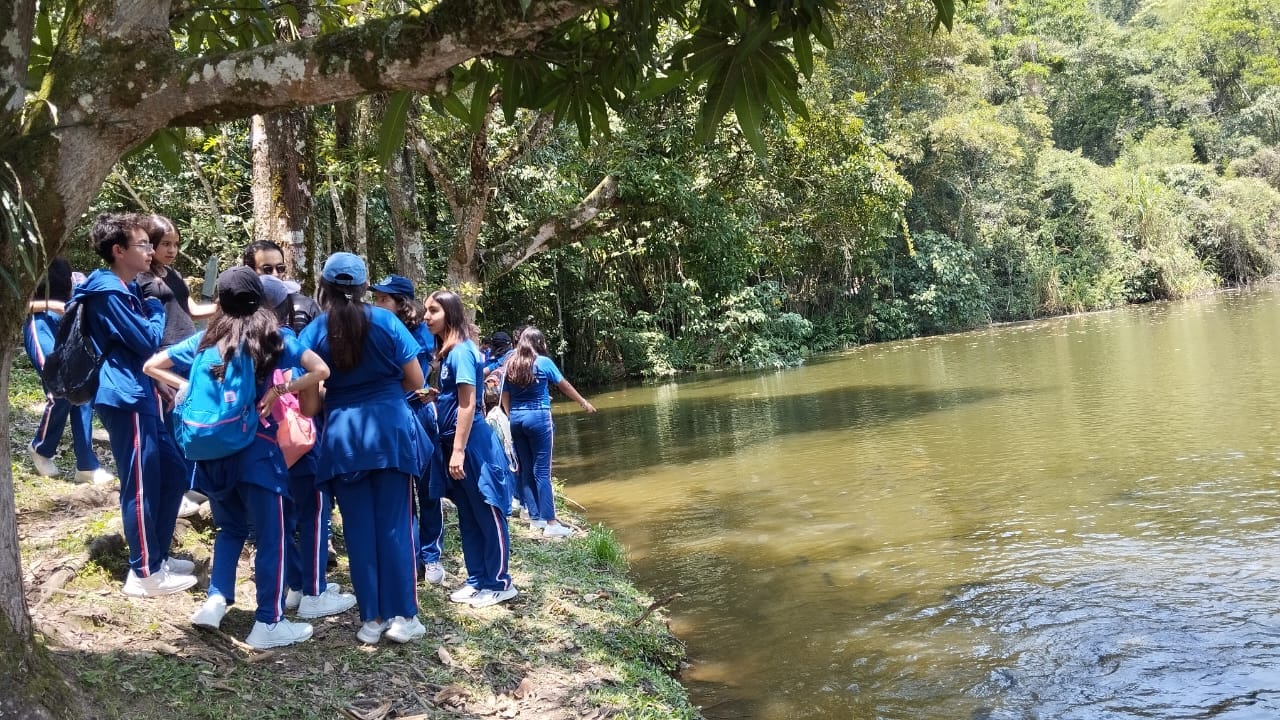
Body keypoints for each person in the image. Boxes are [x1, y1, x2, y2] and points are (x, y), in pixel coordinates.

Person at [144, 266, 330, 649]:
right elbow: (321, 370)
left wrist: (185, 389)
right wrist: (282, 391)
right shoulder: (272, 339)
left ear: (222, 303)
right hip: (257, 453)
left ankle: (215, 601)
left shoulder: (204, 340)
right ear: (259, 300)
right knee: (272, 537)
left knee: (229, 529)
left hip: (210, 455)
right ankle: (269, 622)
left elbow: (152, 365)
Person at [299, 253, 432, 644]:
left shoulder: (314, 333)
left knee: (357, 529)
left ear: (323, 287)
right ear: (363, 287)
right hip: (389, 430)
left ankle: (371, 620)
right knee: (394, 525)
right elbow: (416, 379)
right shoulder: (387, 321)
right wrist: (383, 390)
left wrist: (337, 393)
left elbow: (309, 406)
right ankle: (404, 616)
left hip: (343, 436)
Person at [73, 212, 195, 597]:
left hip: (142, 390)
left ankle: (156, 555)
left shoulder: (124, 288)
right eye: (142, 244)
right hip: (123, 394)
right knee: (140, 484)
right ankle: (143, 572)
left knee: (173, 471)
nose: (150, 251)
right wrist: (157, 309)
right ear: (118, 250)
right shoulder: (108, 291)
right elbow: (145, 341)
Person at [425, 290, 517, 608]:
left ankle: (501, 582)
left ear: (449, 314)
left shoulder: (463, 351)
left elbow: (468, 404)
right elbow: (455, 398)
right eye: (426, 310)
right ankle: (478, 579)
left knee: (487, 509)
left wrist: (459, 450)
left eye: (433, 311)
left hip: (472, 444)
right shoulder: (448, 353)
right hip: (452, 440)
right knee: (467, 513)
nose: (426, 316)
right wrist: (435, 397)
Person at [137, 214, 215, 517]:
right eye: (165, 244)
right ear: (151, 243)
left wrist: (229, 306)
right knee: (172, 423)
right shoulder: (140, 278)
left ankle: (195, 485)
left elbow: (192, 310)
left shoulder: (172, 274)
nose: (171, 250)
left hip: (190, 351)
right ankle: (178, 487)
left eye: (175, 244)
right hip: (163, 356)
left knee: (194, 418)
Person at [369, 274, 445, 585]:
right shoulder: (374, 329)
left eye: (384, 299)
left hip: (417, 412)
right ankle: (409, 559)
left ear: (402, 304)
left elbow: (415, 376)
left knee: (427, 490)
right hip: (388, 415)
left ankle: (431, 556)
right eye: (376, 298)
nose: (377, 304)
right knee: (399, 492)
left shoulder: (420, 333)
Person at [23, 258, 113, 485]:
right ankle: (41, 448)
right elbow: (14, 304)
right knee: (60, 388)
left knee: (81, 390)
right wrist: (49, 305)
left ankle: (86, 465)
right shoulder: (24, 261)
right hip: (39, 323)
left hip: (66, 325)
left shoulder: (63, 265)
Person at [502, 326, 596, 537]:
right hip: (539, 418)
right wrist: (583, 402)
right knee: (542, 472)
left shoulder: (510, 363)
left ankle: (535, 519)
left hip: (516, 419)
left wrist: (511, 416)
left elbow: (504, 395)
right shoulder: (543, 362)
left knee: (525, 469)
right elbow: (564, 386)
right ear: (539, 343)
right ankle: (552, 524)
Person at [243, 240, 321, 334]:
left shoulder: (306, 306)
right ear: (249, 271)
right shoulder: (238, 307)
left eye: (280, 268)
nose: (275, 274)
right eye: (267, 269)